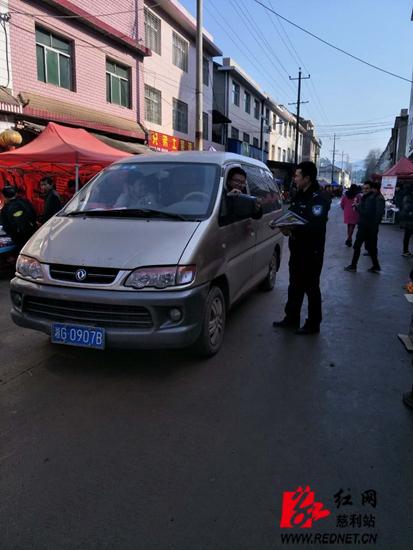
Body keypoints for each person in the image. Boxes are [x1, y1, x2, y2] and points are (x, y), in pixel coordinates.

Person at [273, 161, 330, 335]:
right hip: (297, 249)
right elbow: (292, 216)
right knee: (295, 285)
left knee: (311, 287)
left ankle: (313, 324)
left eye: (297, 175)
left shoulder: (319, 199)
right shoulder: (299, 196)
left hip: (311, 251)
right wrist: (285, 227)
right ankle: (291, 318)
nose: (295, 179)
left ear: (307, 178)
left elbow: (316, 227)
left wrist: (294, 228)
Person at [344, 181, 383, 273]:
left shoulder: (370, 198)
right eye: (363, 188)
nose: (365, 190)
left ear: (371, 189)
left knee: (357, 246)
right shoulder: (369, 197)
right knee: (371, 247)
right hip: (369, 226)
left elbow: (366, 213)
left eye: (367, 188)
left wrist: (357, 207)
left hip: (365, 226)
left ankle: (353, 266)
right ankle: (376, 266)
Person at [0, 185, 37, 252]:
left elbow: (10, 226)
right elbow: (34, 214)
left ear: (3, 196)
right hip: (33, 235)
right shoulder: (25, 201)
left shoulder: (7, 208)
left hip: (20, 240)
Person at [400, 184, 413, 256]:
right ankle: (405, 251)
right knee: (407, 236)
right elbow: (407, 207)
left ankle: (405, 251)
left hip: (409, 219)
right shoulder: (408, 197)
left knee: (407, 236)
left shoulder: (408, 196)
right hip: (409, 220)